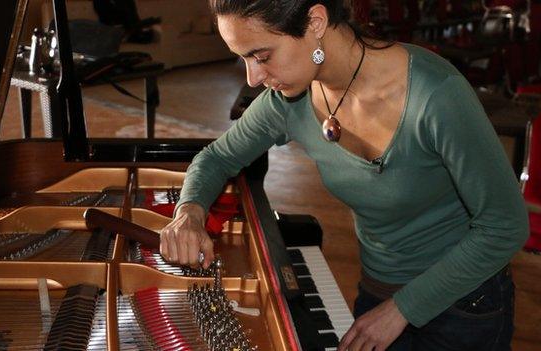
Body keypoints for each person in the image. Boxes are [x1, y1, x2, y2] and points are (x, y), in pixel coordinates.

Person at [158, 1, 529, 350]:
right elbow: (216, 157)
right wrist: (189, 212)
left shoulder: (437, 96)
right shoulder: (290, 102)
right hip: (378, 291)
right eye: (243, 59)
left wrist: (401, 310)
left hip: (465, 305)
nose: (253, 78)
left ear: (315, 23)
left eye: (262, 56)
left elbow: (505, 226)